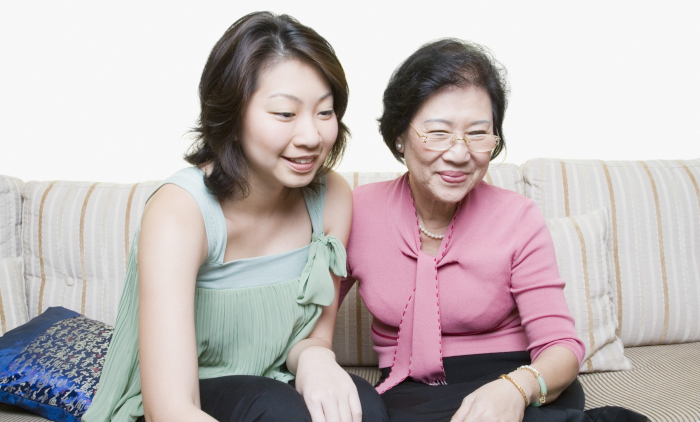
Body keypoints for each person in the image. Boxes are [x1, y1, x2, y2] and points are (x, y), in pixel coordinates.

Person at [83, 12, 387, 422]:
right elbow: (169, 407)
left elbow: (314, 336)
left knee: (362, 405)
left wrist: (317, 359)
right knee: (278, 411)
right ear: (232, 114)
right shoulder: (179, 212)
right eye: (284, 114)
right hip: (179, 402)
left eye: (325, 112)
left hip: (273, 384)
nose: (312, 137)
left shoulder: (331, 197)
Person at [340, 39, 648, 422]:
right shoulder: (357, 210)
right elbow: (307, 326)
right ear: (400, 135)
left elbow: (561, 347)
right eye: (437, 132)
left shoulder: (518, 217)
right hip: (411, 393)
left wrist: (515, 389)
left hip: (515, 380)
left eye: (478, 133)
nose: (458, 153)